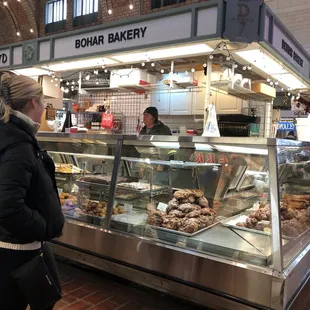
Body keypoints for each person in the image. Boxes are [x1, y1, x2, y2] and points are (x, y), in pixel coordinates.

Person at [0, 71, 65, 309]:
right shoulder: (18, 145)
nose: (44, 110)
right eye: (45, 103)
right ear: (33, 102)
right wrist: (44, 226)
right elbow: (8, 206)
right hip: (15, 251)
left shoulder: (11, 135)